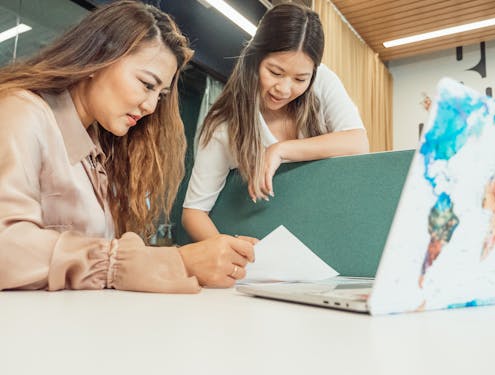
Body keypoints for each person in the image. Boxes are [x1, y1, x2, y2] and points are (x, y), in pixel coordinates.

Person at [0, 0, 255, 293]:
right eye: (147, 84)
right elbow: (5, 246)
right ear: (98, 58)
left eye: (160, 95)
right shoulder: (21, 112)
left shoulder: (99, 150)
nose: (150, 106)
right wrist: (173, 260)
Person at [182, 3, 369, 242]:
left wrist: (280, 150)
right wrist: (226, 249)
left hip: (330, 232)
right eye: (275, 72)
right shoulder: (225, 125)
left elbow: (358, 142)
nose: (284, 89)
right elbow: (194, 213)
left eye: (300, 79)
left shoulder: (322, 81)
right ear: (255, 59)